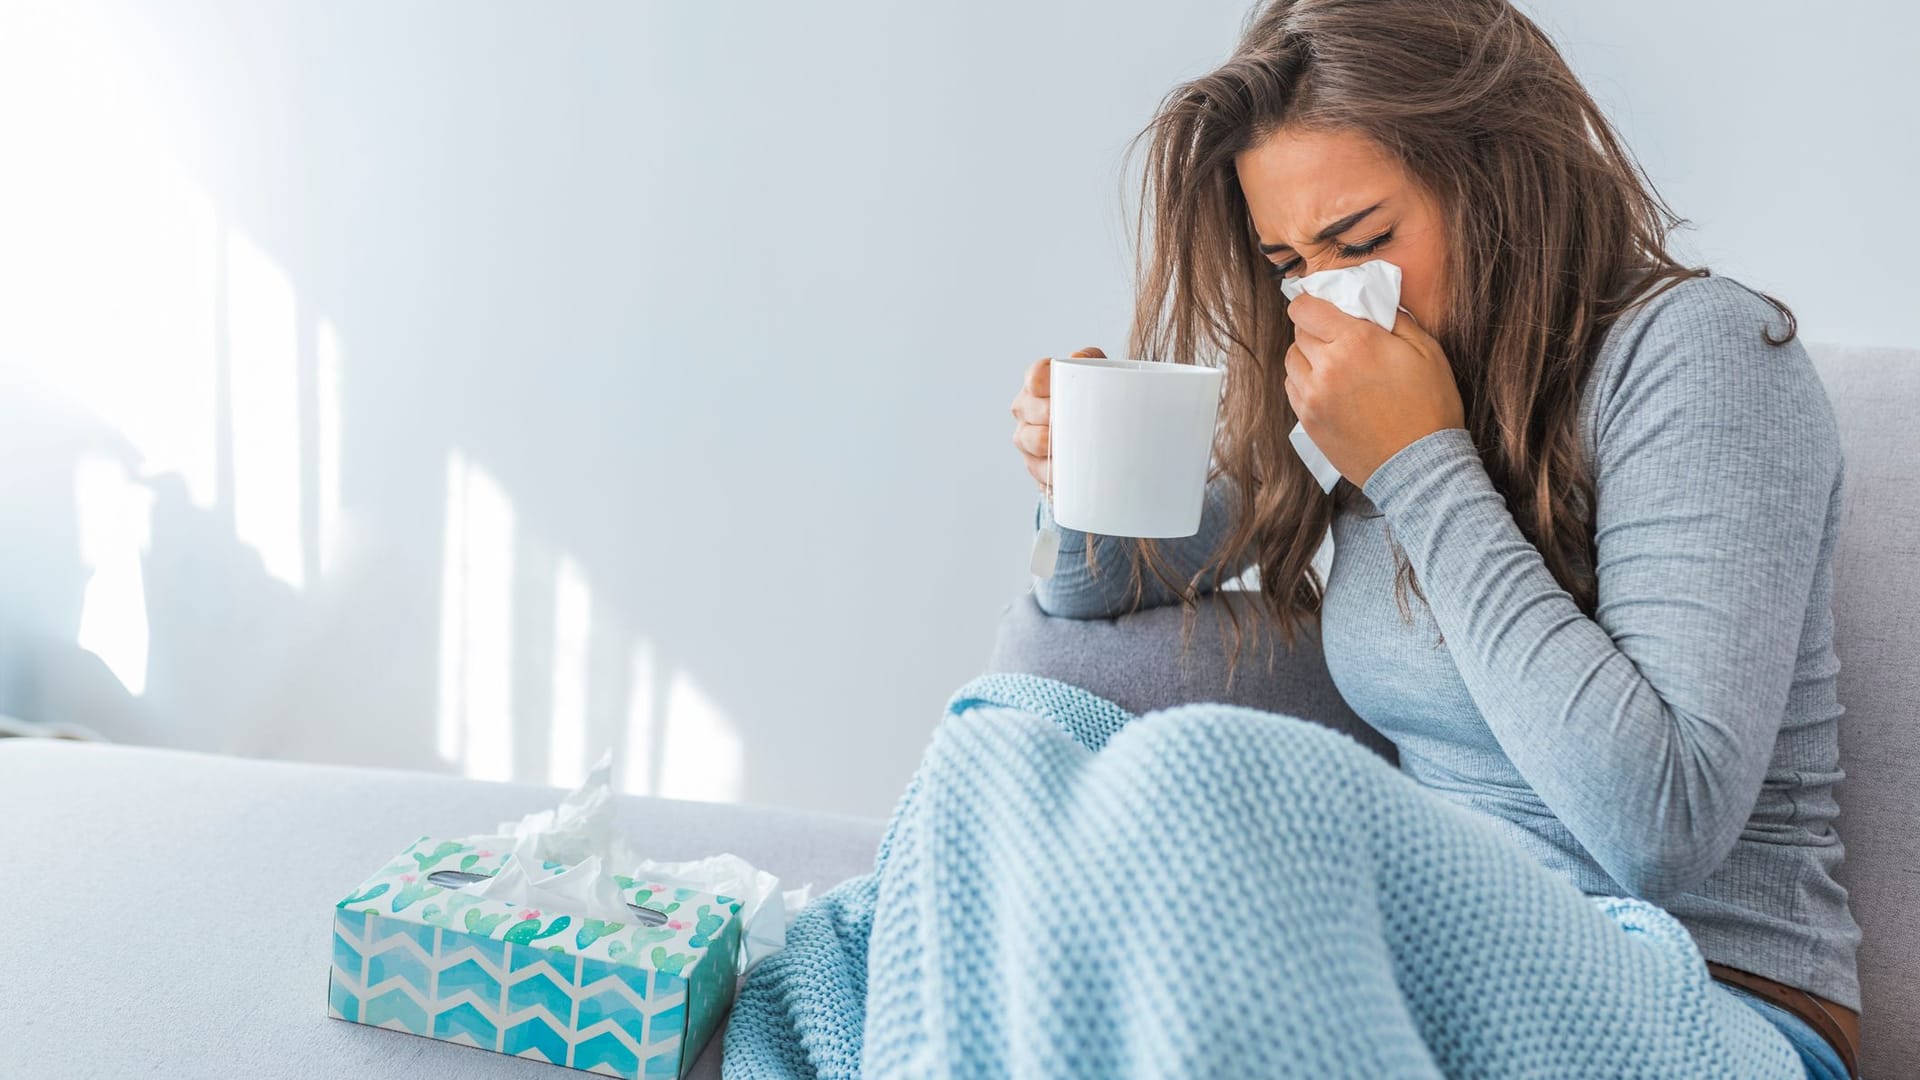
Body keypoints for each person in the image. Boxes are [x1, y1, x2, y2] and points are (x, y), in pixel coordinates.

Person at [1006, 1, 1862, 1075]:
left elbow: (1662, 825)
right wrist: (1074, 473)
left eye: (1363, 242)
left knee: (1199, 778)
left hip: (1710, 1009)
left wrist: (1420, 464)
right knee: (1012, 738)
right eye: (1290, 264)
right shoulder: (1373, 380)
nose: (1332, 295)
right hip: (1427, 981)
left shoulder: (1704, 356)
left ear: (1499, 179)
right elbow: (1095, 596)